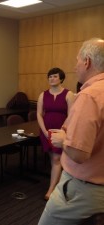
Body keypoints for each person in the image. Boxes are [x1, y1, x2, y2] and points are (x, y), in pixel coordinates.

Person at [38, 38, 104, 224]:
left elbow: (78, 153)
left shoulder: (89, 96)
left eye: (77, 60)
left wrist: (63, 140)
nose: (75, 66)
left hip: (83, 189)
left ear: (87, 61)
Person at [37, 67, 74, 201]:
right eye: (50, 77)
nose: (51, 79)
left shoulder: (68, 94)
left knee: (56, 159)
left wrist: (63, 131)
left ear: (61, 78)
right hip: (46, 132)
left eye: (55, 76)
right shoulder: (43, 95)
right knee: (53, 158)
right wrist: (45, 131)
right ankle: (59, 183)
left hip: (61, 132)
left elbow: (71, 115)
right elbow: (39, 114)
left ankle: (51, 189)